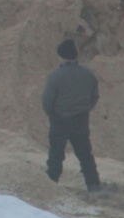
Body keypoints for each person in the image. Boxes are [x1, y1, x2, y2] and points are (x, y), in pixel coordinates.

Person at [42, 38, 102, 192]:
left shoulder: (56, 76)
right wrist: (85, 109)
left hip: (60, 120)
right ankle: (93, 184)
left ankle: (51, 185)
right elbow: (94, 96)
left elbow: (47, 100)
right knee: (85, 154)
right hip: (81, 119)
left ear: (62, 56)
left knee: (55, 155)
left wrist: (50, 112)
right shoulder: (88, 74)